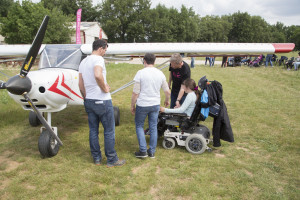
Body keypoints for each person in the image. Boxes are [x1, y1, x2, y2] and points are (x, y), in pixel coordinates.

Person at [78, 39, 125, 167]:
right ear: (100, 48)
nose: (105, 52)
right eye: (105, 50)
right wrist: (104, 88)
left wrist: (86, 97)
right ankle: (111, 159)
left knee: (93, 130)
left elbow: (80, 84)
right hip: (102, 101)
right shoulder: (98, 59)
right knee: (109, 131)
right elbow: (98, 75)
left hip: (89, 101)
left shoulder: (83, 61)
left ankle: (97, 158)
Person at [131, 53, 170, 159]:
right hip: (155, 104)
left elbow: (135, 92)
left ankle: (143, 151)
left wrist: (132, 105)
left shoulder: (140, 73)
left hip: (142, 104)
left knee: (139, 126)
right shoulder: (160, 73)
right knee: (153, 127)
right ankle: (152, 151)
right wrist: (167, 100)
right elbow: (167, 91)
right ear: (154, 61)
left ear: (144, 61)